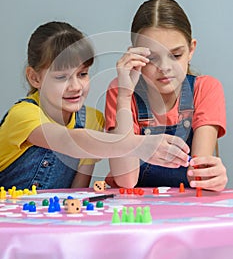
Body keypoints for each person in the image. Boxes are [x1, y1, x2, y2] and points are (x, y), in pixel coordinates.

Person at [0, 21, 190, 190]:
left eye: (82, 74)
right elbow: (70, 141)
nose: (75, 87)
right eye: (61, 77)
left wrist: (124, 94)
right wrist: (140, 144)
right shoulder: (22, 115)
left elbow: (76, 193)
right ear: (34, 78)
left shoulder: (91, 119)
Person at [105, 0, 228, 191]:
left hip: (183, 205)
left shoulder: (205, 89)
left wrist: (212, 177)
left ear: (191, 49)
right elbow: (126, 180)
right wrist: (124, 96)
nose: (164, 68)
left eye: (176, 55)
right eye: (152, 58)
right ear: (135, 56)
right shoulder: (120, 90)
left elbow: (198, 171)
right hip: (135, 207)